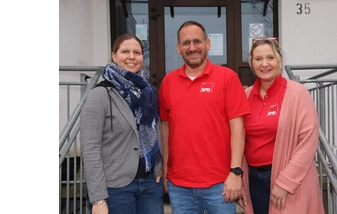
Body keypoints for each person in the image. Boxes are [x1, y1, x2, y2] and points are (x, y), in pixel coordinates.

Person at [158, 20, 251, 214]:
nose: (192, 48)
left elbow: (238, 128)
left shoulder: (227, 78)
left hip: (220, 183)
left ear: (207, 44)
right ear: (178, 48)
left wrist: (236, 172)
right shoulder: (168, 82)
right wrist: (166, 169)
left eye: (197, 41)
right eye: (186, 43)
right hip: (179, 185)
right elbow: (166, 128)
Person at [238, 38, 325, 214]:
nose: (264, 64)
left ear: (279, 60)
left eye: (270, 57)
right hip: (255, 180)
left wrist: (285, 182)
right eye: (258, 59)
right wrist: (241, 180)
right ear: (251, 63)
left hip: (290, 179)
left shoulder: (297, 93)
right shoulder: (245, 96)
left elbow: (308, 141)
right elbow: (238, 140)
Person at [80, 33, 164, 214]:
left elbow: (157, 132)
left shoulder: (149, 93)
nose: (132, 57)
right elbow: (90, 148)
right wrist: (98, 199)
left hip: (149, 184)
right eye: (125, 51)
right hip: (115, 188)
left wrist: (159, 166)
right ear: (114, 56)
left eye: (137, 52)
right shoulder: (100, 95)